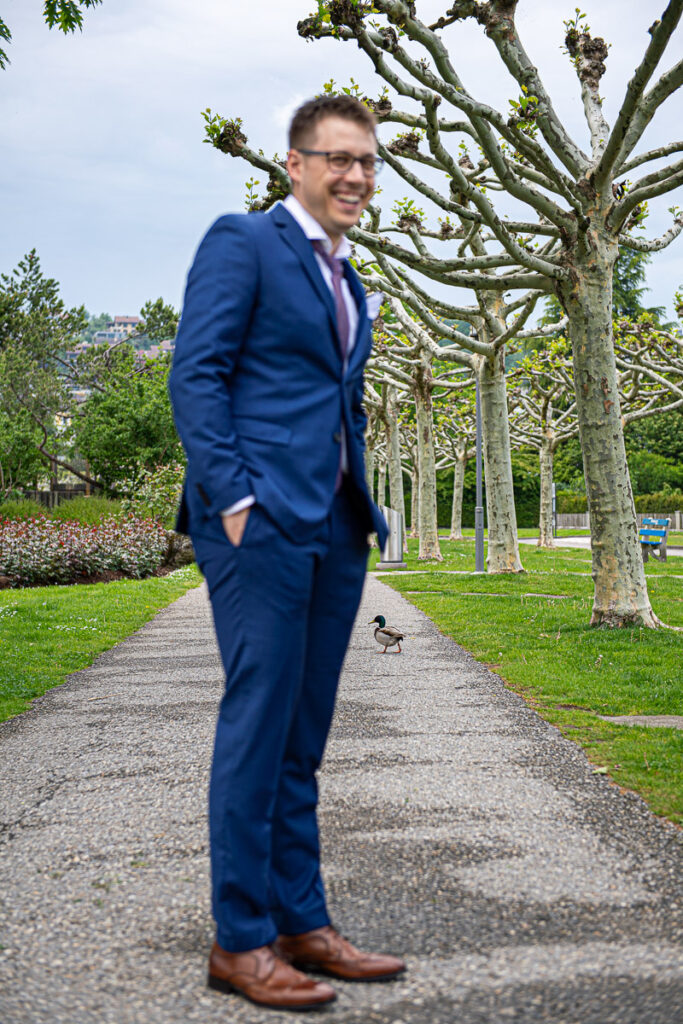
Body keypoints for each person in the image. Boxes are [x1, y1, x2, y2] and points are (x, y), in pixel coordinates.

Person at [169, 95, 406, 1012]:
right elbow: (198, 370)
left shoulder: (346, 278)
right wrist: (232, 500)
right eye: (335, 158)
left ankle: (303, 923)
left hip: (334, 526)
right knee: (259, 727)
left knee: (302, 740)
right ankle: (241, 941)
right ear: (295, 163)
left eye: (366, 161)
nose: (354, 175)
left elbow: (334, 403)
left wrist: (359, 509)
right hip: (258, 525)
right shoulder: (244, 241)